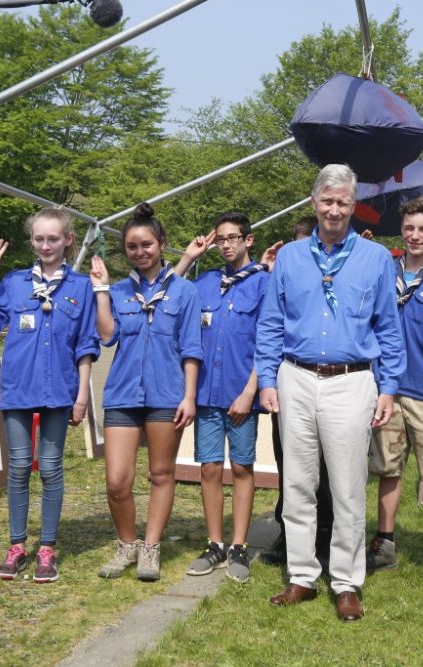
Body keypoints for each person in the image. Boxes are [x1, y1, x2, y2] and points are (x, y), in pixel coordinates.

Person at [256, 163, 405, 622]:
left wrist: (389, 387)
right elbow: (271, 323)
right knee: (298, 483)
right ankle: (301, 576)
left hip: (352, 379)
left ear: (352, 205)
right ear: (314, 203)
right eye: (327, 201)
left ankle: (345, 581)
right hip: (296, 377)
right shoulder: (292, 258)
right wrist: (266, 379)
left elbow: (389, 327)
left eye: (343, 202)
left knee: (346, 485)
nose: (335, 209)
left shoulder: (376, 259)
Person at [0, 207, 98, 583]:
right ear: (32, 241)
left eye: (53, 238)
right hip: (18, 389)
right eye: (39, 239)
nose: (46, 245)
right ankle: (16, 548)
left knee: (49, 467)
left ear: (68, 241)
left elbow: (86, 346)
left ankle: (47, 549)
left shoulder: (80, 288)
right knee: (17, 468)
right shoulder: (14, 283)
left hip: (59, 393)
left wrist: (81, 398)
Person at [91, 202, 202, 582]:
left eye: (147, 245)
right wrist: (102, 291)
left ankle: (150, 548)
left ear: (162, 244)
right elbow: (107, 336)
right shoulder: (120, 291)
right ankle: (127, 543)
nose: (140, 252)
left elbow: (191, 348)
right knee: (117, 481)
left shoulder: (185, 292)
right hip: (122, 394)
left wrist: (189, 397)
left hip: (167, 393)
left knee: (160, 473)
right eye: (132, 247)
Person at [171, 212, 277, 584]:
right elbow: (168, 291)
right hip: (206, 395)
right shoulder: (205, 283)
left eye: (234, 238)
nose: (227, 244)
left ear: (249, 241)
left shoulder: (263, 284)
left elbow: (268, 342)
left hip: (240, 396)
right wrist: (189, 257)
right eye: (221, 239)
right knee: (210, 468)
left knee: (243, 468)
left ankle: (239, 545)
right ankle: (214, 543)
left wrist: (251, 392)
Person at [365, 195, 423, 590]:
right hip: (387, 388)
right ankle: (384, 543)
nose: (415, 235)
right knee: (387, 468)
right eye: (409, 228)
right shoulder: (385, 271)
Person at [260, 216, 337, 569]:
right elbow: (270, 326)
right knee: (289, 465)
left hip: (330, 384)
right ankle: (288, 532)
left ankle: (327, 531)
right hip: (290, 380)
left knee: (328, 467)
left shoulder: (335, 280)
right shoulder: (284, 275)